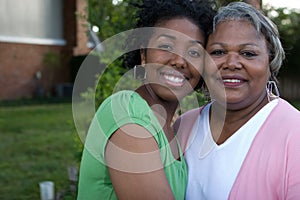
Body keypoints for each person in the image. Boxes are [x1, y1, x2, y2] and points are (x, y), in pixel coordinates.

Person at [76, 0, 216, 199]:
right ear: (143, 54)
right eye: (166, 46)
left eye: (194, 52)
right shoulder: (126, 112)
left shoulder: (175, 131)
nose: (179, 60)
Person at [175, 2, 300, 200]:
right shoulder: (183, 126)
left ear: (271, 62)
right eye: (218, 52)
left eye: (248, 53)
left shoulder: (295, 133)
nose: (231, 63)